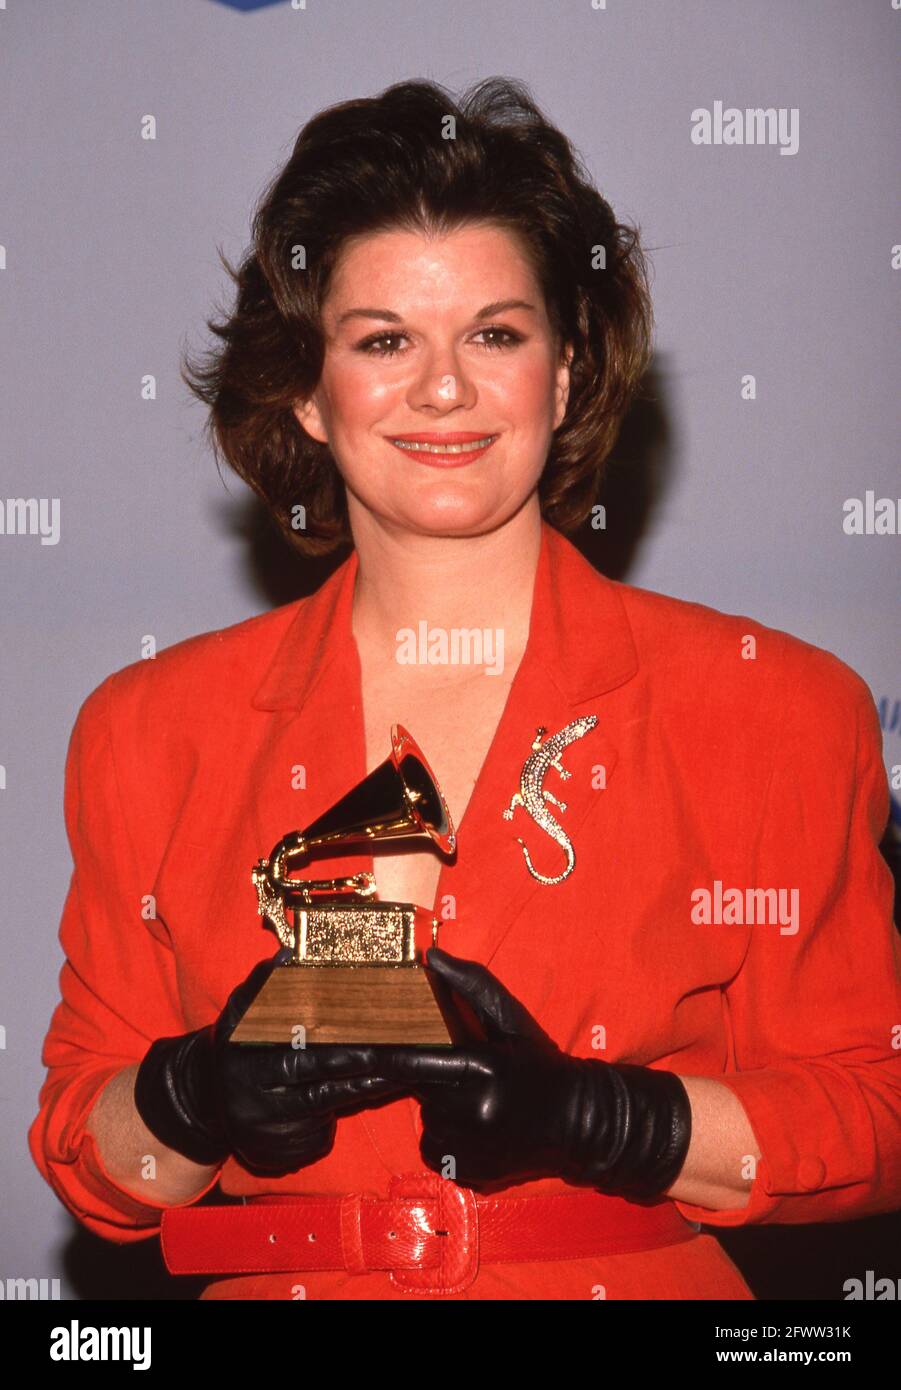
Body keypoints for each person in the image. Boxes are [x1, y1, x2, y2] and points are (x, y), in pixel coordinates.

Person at [29, 77, 901, 1301]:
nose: (443, 388)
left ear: (561, 375)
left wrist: (616, 1121)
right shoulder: (147, 732)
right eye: (382, 339)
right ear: (305, 392)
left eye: (496, 333)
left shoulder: (778, 709)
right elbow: (89, 1150)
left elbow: (872, 1105)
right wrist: (192, 1094)